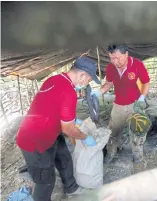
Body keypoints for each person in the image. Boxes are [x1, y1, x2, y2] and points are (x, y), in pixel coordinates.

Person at [16, 57, 100, 201]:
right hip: (35, 141)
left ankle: (71, 188)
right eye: (89, 80)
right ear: (82, 76)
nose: (88, 83)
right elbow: (68, 129)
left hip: (50, 132)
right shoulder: (68, 92)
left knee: (64, 158)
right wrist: (86, 137)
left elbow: (54, 106)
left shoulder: (54, 79)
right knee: (45, 182)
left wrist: (74, 120)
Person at [92, 44, 151, 169]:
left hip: (135, 105)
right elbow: (109, 82)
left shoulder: (137, 65)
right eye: (112, 58)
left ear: (126, 54)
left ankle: (138, 156)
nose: (115, 61)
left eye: (118, 58)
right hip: (118, 105)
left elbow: (146, 83)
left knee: (137, 132)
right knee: (113, 132)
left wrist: (142, 99)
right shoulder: (110, 67)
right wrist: (100, 91)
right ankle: (111, 152)